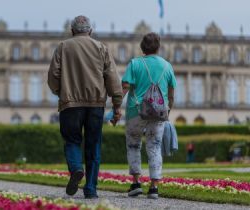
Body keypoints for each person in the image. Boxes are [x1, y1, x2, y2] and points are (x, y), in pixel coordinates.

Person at [48, 15, 123, 199]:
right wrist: (117, 105)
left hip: (70, 104)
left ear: (72, 31)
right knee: (93, 144)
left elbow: (53, 76)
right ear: (90, 31)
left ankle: (75, 169)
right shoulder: (101, 48)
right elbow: (112, 78)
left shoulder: (63, 47)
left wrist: (62, 92)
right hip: (95, 104)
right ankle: (90, 188)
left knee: (72, 140)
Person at [121, 33, 176, 199]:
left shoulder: (135, 63)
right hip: (159, 113)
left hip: (135, 111)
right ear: (158, 47)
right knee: (154, 147)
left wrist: (116, 107)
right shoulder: (167, 66)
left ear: (142, 48)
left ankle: (136, 183)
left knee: (133, 145)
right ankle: (154, 187)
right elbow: (172, 94)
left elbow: (124, 87)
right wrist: (168, 111)